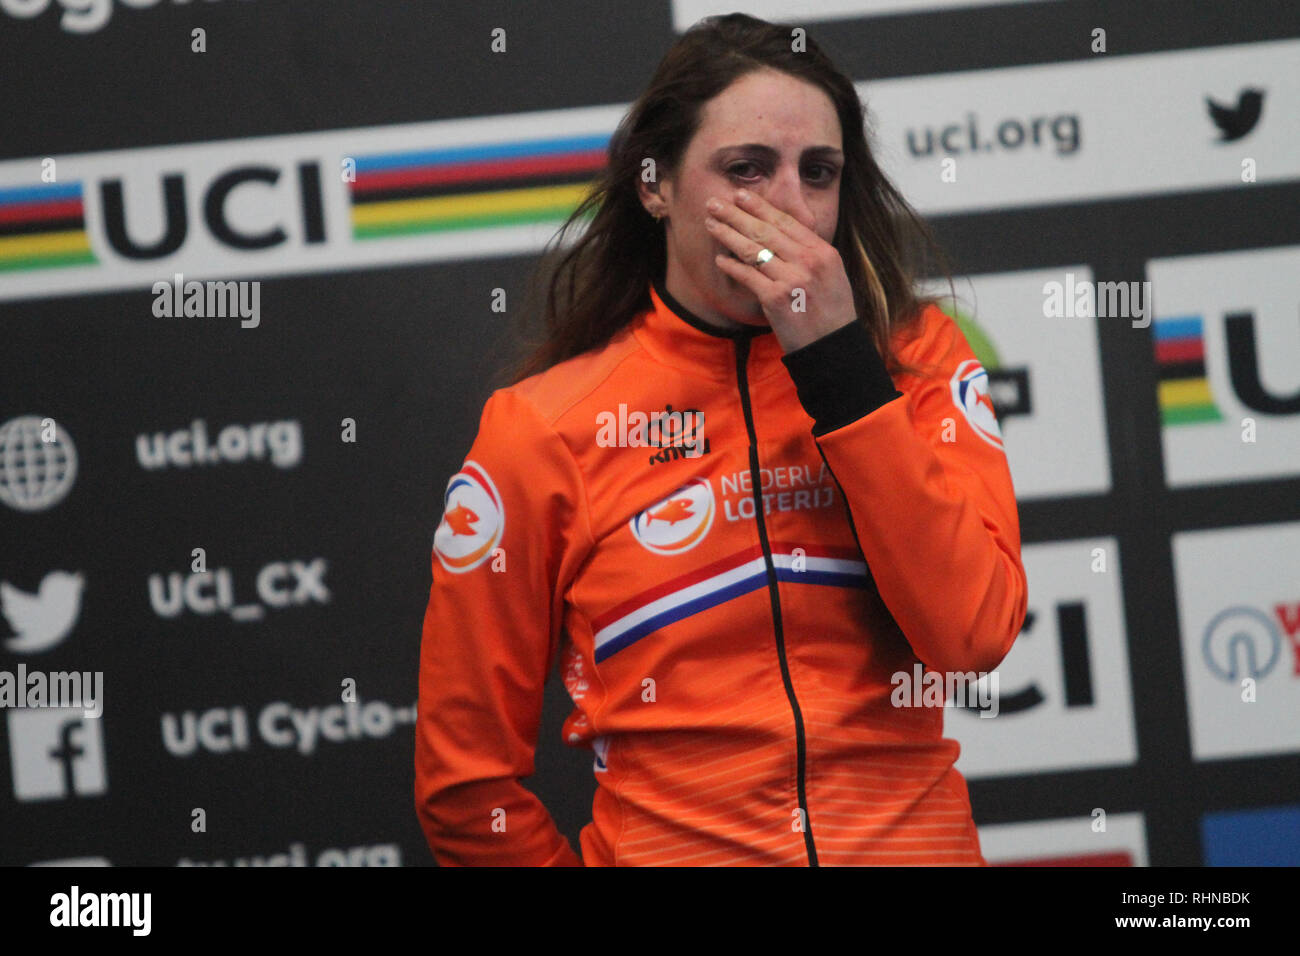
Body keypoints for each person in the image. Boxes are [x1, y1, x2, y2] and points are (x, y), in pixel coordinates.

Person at [414, 12, 1027, 866]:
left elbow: (973, 638)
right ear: (654, 185)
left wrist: (844, 372)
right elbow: (464, 786)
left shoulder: (916, 360)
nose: (788, 206)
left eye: (820, 172)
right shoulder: (542, 429)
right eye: (745, 170)